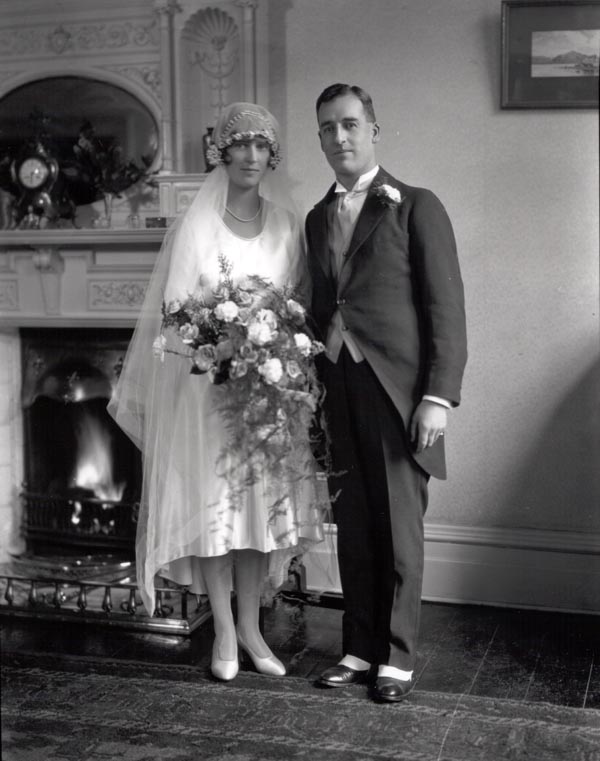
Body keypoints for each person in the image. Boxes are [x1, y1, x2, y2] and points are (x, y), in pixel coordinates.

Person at [109, 102, 325, 682]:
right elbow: (175, 315)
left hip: (268, 395)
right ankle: (224, 633)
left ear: (271, 155)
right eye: (241, 144)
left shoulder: (287, 224)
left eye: (262, 146)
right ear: (222, 152)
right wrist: (224, 340)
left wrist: (277, 347)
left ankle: (254, 630)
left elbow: (300, 305)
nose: (251, 156)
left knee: (259, 512)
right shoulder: (195, 226)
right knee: (216, 511)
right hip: (208, 394)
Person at [305, 84, 467, 703]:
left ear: (374, 129)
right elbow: (324, 305)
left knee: (400, 525)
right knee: (354, 523)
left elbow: (445, 310)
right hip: (337, 382)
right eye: (326, 129)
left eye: (349, 125)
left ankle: (395, 658)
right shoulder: (318, 217)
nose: (338, 138)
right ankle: (359, 645)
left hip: (398, 390)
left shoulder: (415, 206)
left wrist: (438, 397)